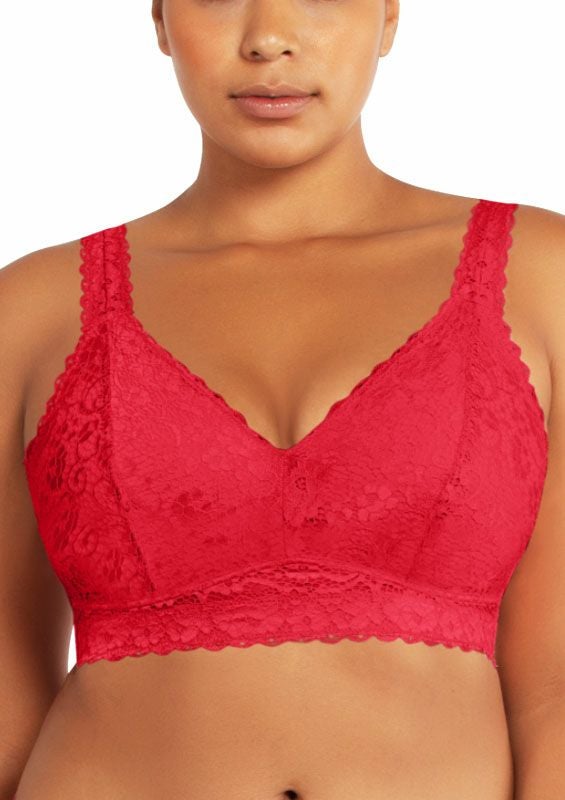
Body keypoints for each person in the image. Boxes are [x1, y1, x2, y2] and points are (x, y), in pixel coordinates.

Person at [1, 1, 564, 799]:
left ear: (389, 17)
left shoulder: (539, 278)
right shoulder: (33, 308)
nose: (269, 37)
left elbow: (552, 693)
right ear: (159, 19)